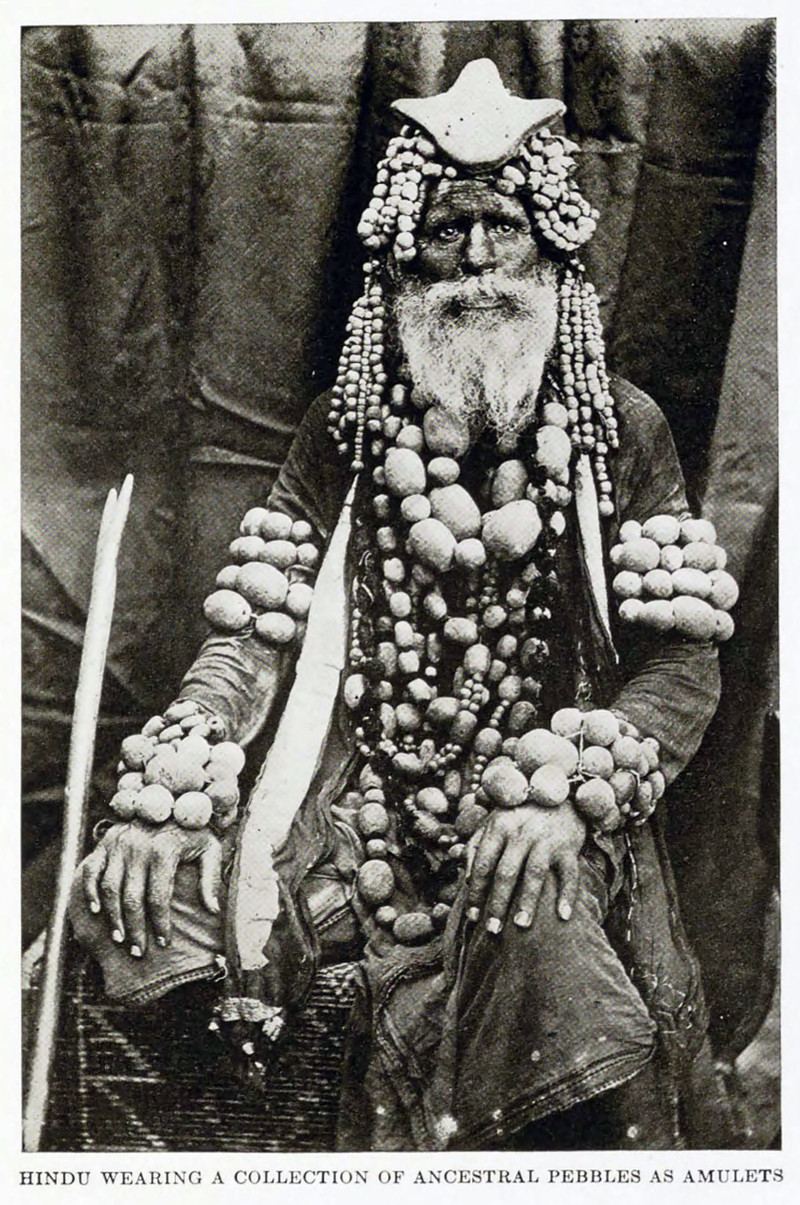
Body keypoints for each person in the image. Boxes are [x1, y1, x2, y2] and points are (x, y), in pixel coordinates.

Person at [69, 60, 737, 1151]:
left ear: (550, 250)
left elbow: (680, 664)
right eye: (444, 230)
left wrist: (569, 792)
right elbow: (252, 634)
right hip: (355, 806)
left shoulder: (620, 429)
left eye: (501, 227)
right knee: (141, 881)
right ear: (400, 258)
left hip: (534, 805)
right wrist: (173, 777)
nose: (474, 260)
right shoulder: (348, 425)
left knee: (536, 909)